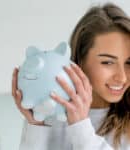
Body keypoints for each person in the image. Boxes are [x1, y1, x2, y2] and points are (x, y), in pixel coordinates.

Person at [12, 2, 130, 150]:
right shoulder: (51, 111)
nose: (123, 77)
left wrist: (80, 125)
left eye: (129, 62)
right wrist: (35, 126)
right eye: (107, 62)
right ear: (80, 59)